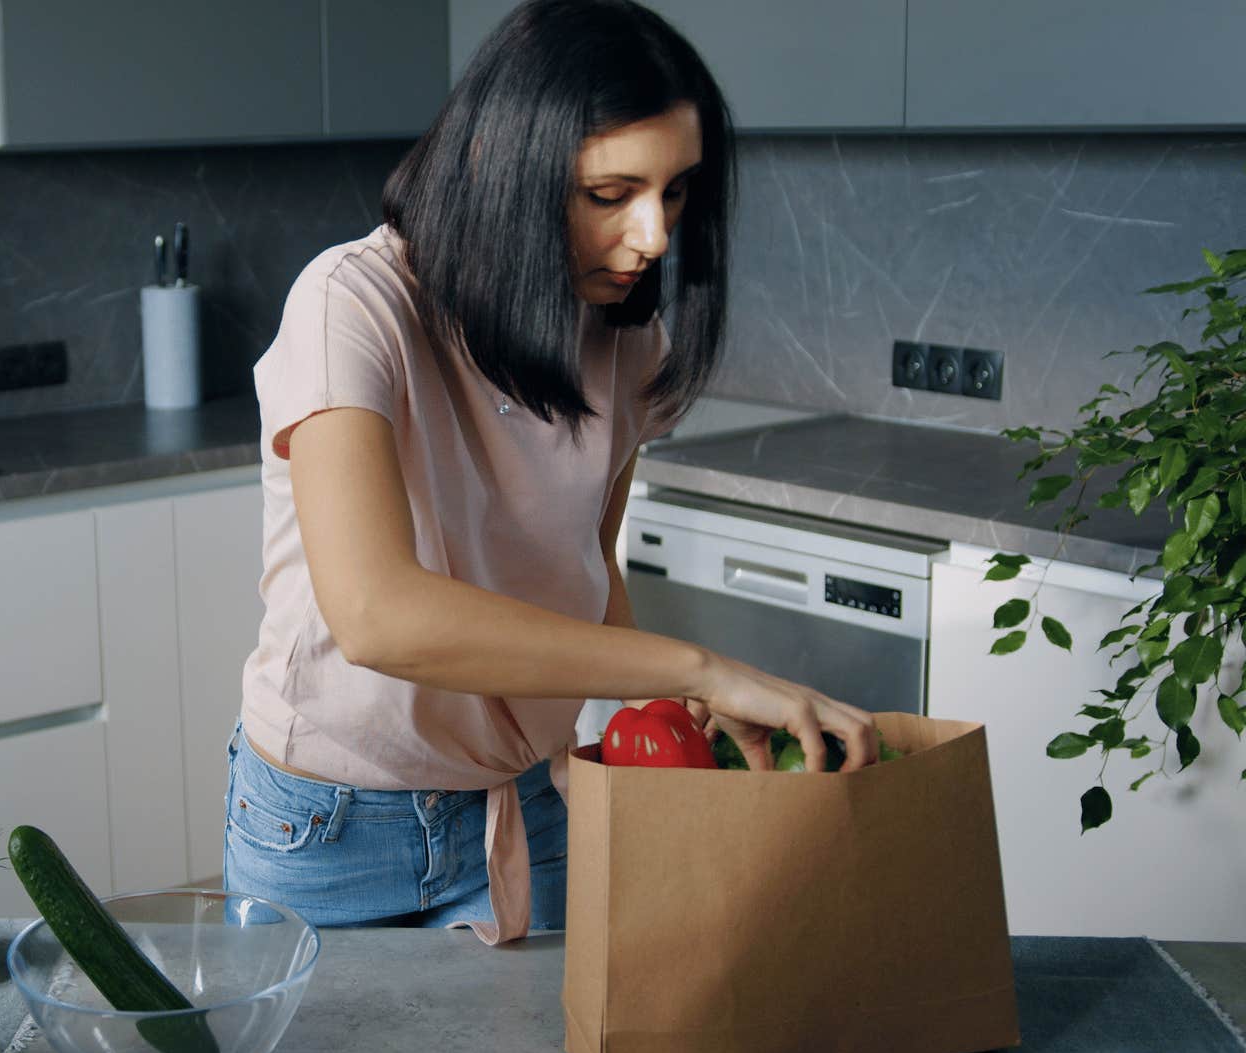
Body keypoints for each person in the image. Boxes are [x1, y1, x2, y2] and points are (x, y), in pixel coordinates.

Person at [225, 0, 878, 946]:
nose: (654, 236)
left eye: (677, 190)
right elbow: (376, 614)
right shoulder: (351, 304)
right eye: (611, 195)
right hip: (331, 828)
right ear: (503, 167)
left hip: (531, 804)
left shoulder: (628, 341)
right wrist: (701, 666)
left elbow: (585, 569)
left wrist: (663, 719)